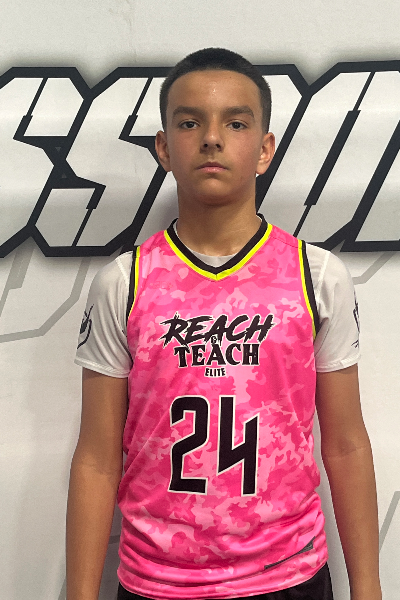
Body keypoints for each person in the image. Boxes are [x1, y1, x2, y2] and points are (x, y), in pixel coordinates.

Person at [68, 48, 382, 600]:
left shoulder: (315, 276)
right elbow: (96, 458)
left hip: (288, 574)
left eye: (235, 123)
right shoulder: (126, 281)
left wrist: (370, 587)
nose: (212, 138)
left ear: (264, 149)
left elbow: (346, 443)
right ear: (164, 147)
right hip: (157, 580)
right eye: (190, 122)